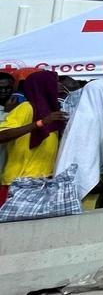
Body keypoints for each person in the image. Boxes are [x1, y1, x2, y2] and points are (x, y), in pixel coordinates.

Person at [0, 70, 67, 206]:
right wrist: (40, 123)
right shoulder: (26, 108)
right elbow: (2, 135)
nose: (59, 86)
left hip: (42, 180)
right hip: (18, 182)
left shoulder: (51, 111)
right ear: (44, 86)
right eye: (55, 83)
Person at [53, 79, 103, 202]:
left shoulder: (88, 115)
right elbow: (85, 153)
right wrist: (91, 179)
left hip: (98, 173)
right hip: (90, 178)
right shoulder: (88, 119)